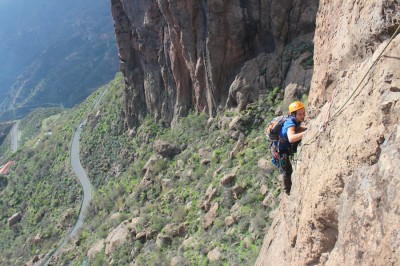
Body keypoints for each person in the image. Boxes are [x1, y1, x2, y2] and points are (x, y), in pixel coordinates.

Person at [272, 101, 307, 195]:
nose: (303, 115)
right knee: (287, 171)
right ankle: (288, 191)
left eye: (303, 113)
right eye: (300, 114)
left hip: (282, 146)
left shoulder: (293, 120)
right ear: (293, 114)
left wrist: (308, 128)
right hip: (281, 151)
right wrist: (307, 132)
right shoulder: (290, 123)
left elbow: (297, 128)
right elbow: (291, 138)